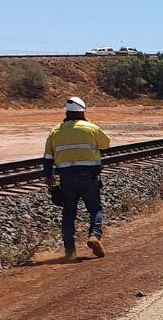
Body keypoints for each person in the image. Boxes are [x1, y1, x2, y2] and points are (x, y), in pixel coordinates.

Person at [43, 97, 111, 260]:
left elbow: (47, 158)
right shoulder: (91, 128)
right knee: (95, 209)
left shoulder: (55, 131)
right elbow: (106, 144)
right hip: (88, 177)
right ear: (82, 112)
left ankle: (69, 251)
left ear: (66, 112)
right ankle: (94, 236)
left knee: (68, 213)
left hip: (65, 178)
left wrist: (50, 178)